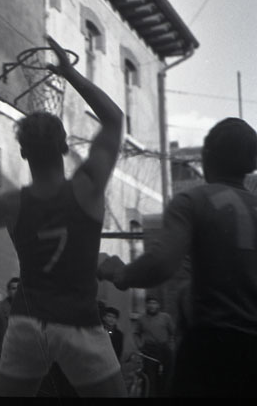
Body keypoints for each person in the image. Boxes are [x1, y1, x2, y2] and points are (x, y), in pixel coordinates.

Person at [0, 35, 126, 397]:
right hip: (79, 322)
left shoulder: (10, 204)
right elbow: (114, 120)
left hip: (27, 322)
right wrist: (70, 74)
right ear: (64, 147)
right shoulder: (88, 187)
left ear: (22, 153)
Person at [98, 117, 257, 398]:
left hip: (210, 347)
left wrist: (119, 272)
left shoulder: (193, 201)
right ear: (251, 163)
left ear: (206, 156)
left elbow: (161, 264)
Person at [132, 295, 174, 396]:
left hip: (164, 350)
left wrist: (171, 346)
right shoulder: (142, 319)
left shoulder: (166, 317)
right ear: (146, 305)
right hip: (149, 351)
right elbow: (136, 334)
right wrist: (140, 346)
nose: (152, 305)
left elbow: (173, 333)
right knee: (150, 378)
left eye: (154, 303)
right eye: (149, 303)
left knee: (166, 377)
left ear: (158, 305)